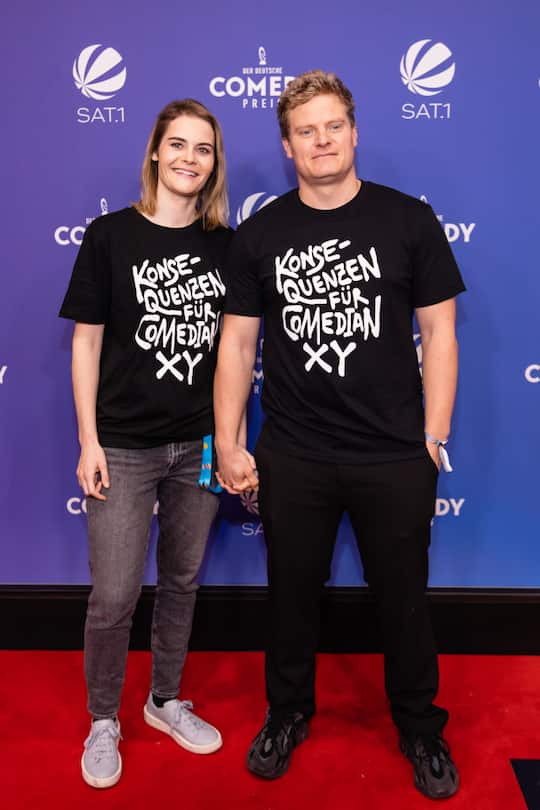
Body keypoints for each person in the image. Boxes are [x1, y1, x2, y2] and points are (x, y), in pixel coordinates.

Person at [214, 70, 465, 800]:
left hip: (393, 453)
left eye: (333, 127)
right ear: (287, 146)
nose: (321, 141)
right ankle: (287, 714)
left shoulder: (408, 220)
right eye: (306, 131)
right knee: (291, 598)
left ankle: (420, 726)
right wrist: (228, 441)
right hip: (294, 453)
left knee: (404, 601)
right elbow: (237, 345)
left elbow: (439, 332)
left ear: (354, 133)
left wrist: (433, 436)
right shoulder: (261, 234)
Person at [59, 99, 231, 788]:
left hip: (200, 446)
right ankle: (104, 718)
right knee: (115, 594)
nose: (190, 158)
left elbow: (238, 352)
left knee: (182, 581)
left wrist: (230, 440)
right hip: (123, 446)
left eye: (204, 148)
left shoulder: (226, 246)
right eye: (178, 144)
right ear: (156, 151)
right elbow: (86, 344)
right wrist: (89, 440)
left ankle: (164, 700)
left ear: (214, 163)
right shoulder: (110, 236)